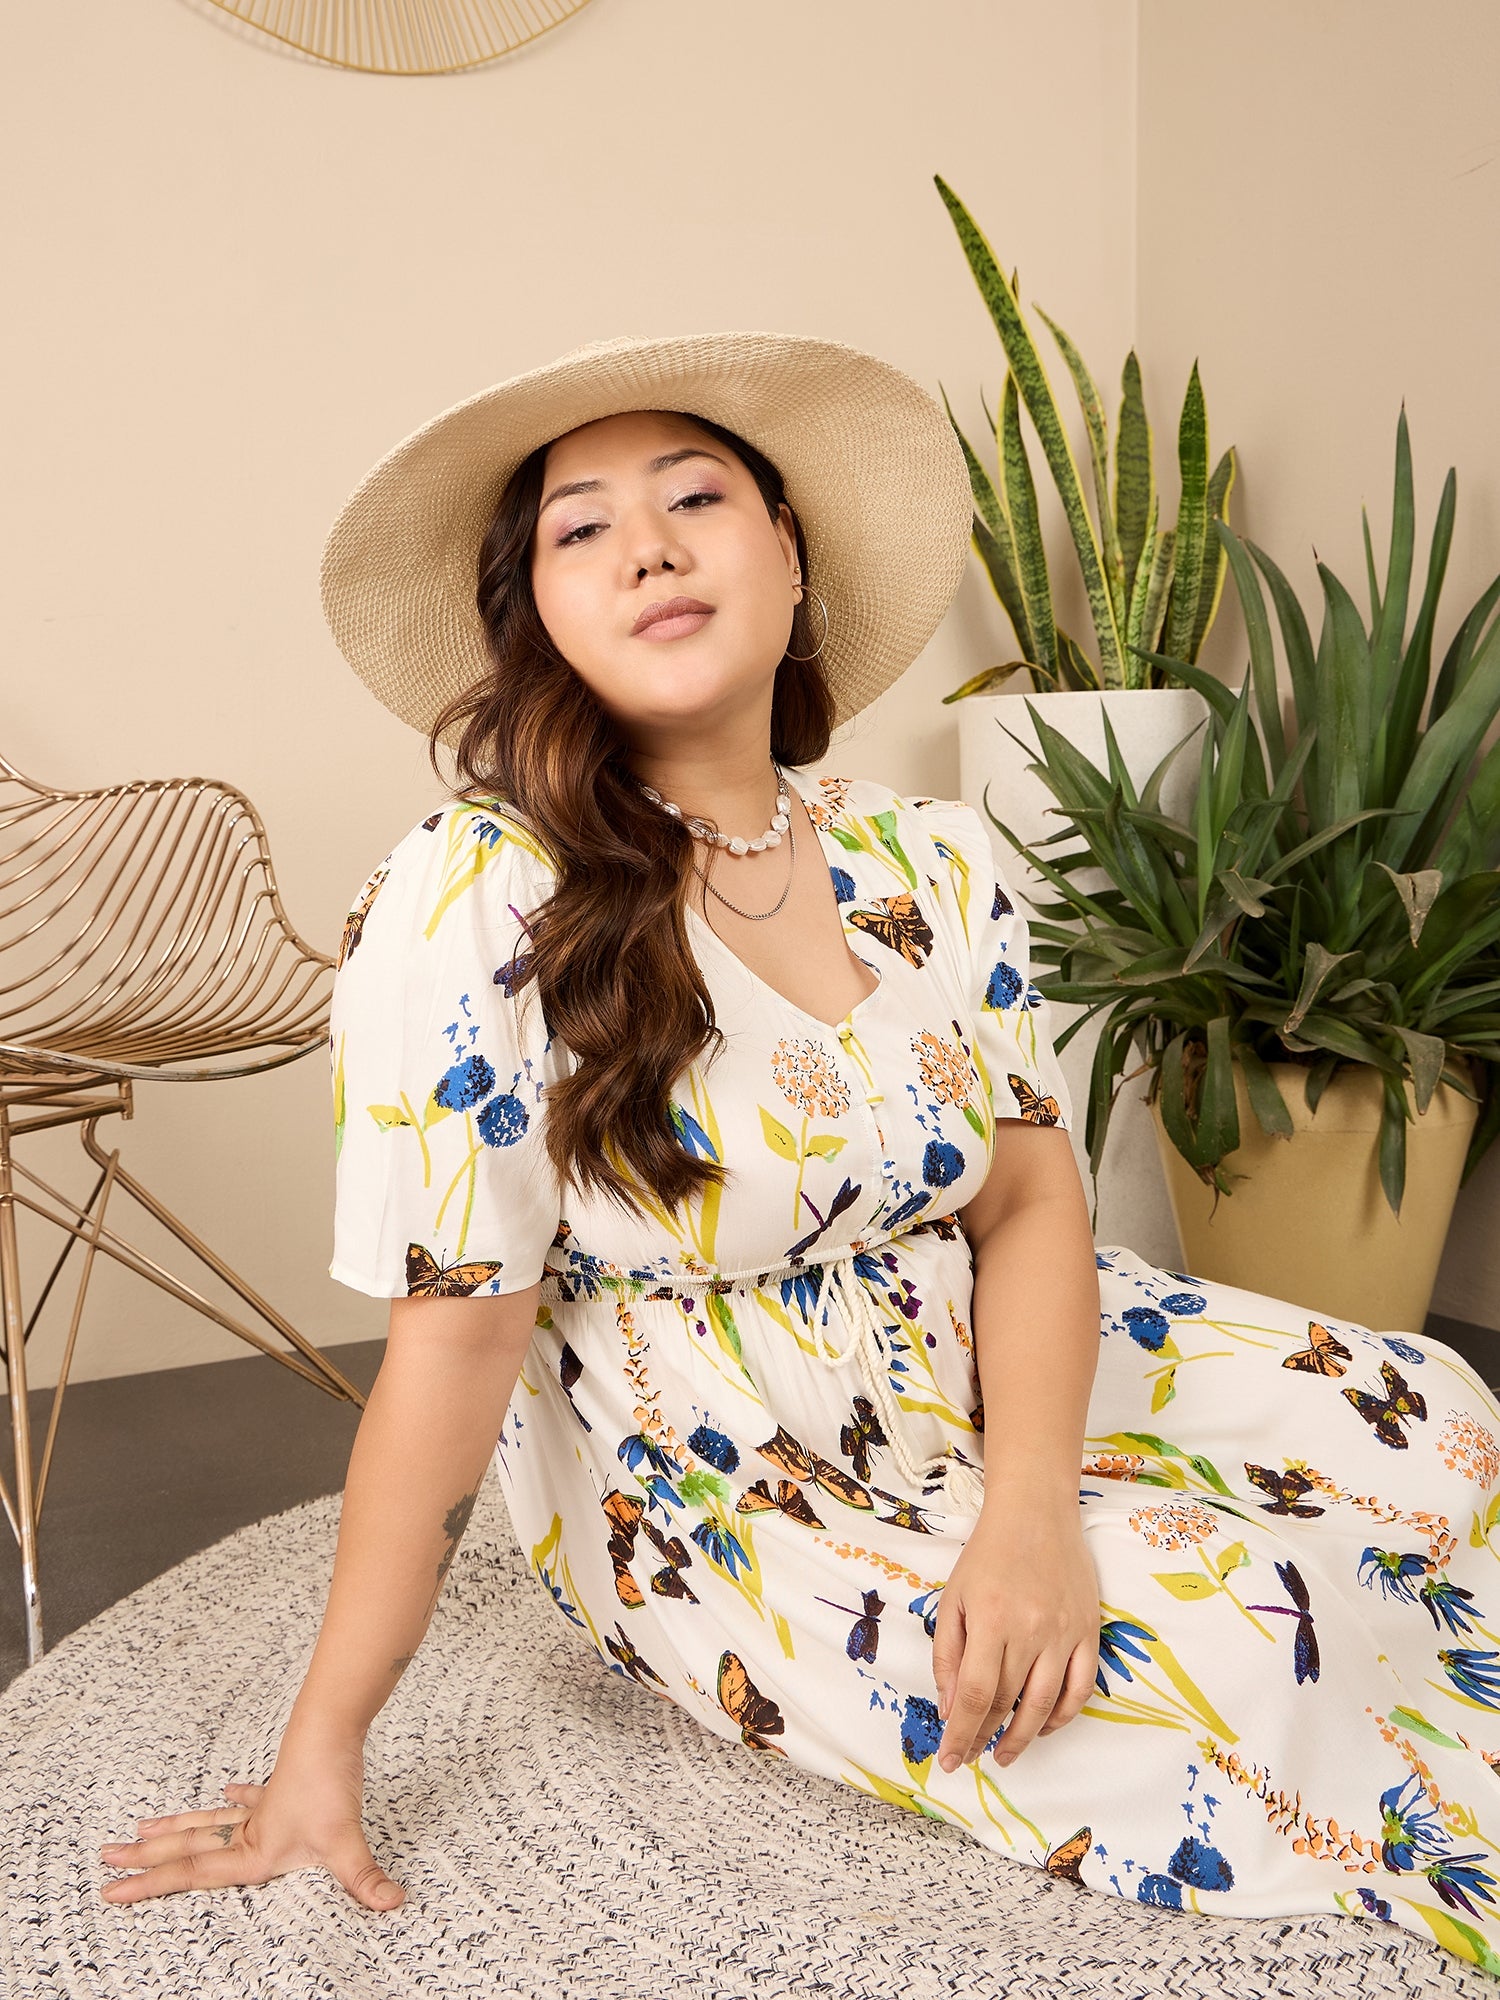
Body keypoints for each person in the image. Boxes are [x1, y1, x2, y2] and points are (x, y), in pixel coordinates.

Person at [100, 333, 1500, 1978]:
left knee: (1445, 1427)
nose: (648, 548)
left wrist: (1032, 1516)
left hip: (981, 1349)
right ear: (536, 615)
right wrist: (320, 1751)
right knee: (1257, 1635)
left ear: (789, 551)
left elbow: (1029, 1202)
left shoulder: (931, 857)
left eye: (695, 498)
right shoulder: (477, 892)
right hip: (727, 1464)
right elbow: (455, 1339)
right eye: (581, 528)